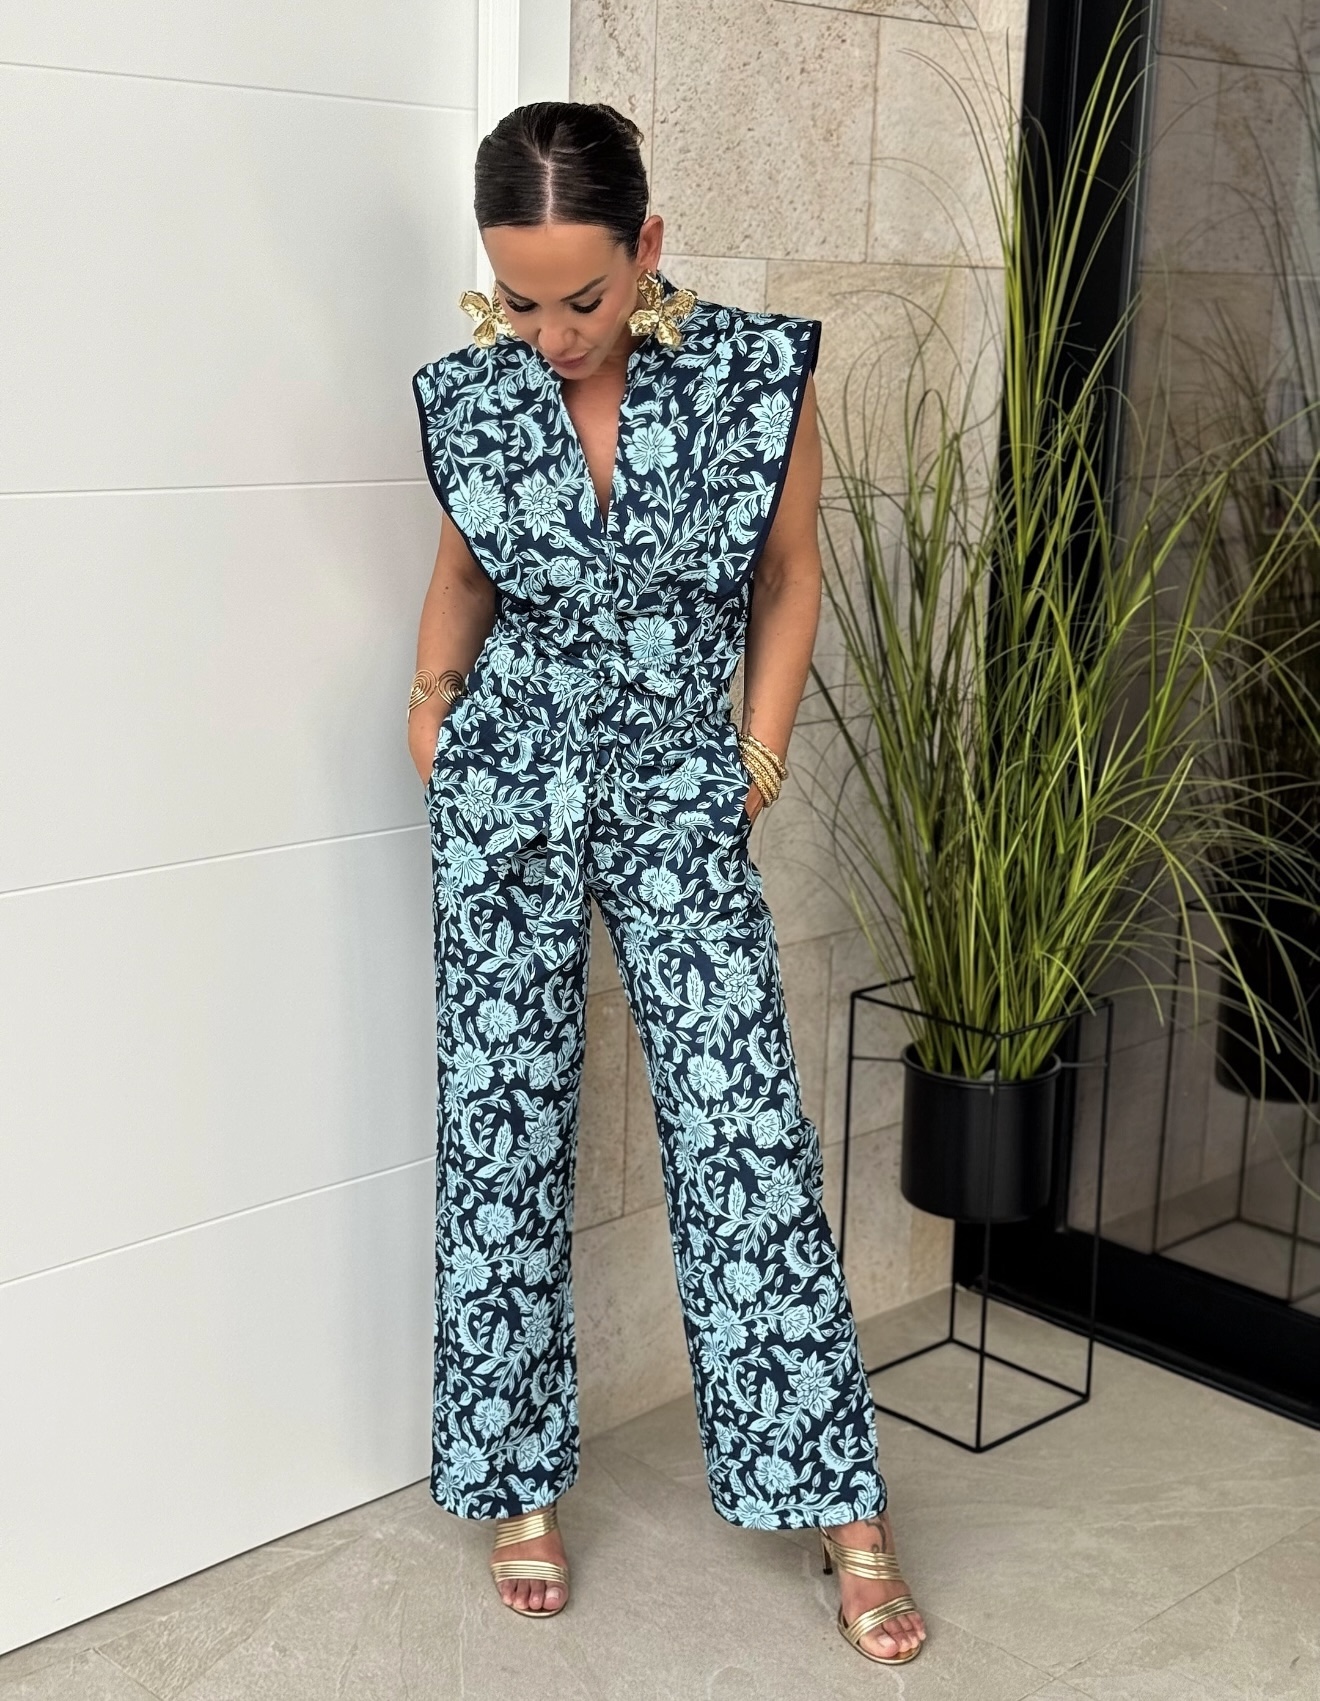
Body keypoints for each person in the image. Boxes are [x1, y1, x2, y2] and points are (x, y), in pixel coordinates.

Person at [407, 100, 926, 1668]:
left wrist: (753, 760)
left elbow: (790, 575)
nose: (553, 335)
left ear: (647, 244)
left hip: (680, 793)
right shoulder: (473, 395)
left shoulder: (756, 376)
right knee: (500, 1128)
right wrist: (430, 716)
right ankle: (516, 1483)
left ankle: (842, 1505)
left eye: (582, 296)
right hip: (506, 789)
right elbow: (465, 575)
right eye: (519, 301)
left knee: (743, 1130)